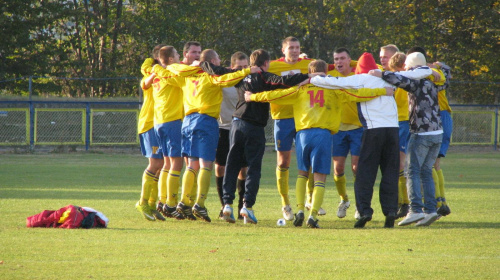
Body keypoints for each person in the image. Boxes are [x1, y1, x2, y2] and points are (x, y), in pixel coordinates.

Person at [246, 59, 393, 228]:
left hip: (302, 135)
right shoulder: (334, 90)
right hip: (323, 135)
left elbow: (276, 95)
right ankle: (313, 215)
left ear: (310, 72)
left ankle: (300, 210)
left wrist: (253, 97)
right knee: (319, 178)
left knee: (302, 173)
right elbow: (358, 93)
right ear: (326, 73)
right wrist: (382, 91)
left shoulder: (300, 89)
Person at [311, 52, 433, 228]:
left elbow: (330, 82)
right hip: (392, 131)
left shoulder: (358, 78)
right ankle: (390, 211)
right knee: (390, 172)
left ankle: (365, 211)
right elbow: (421, 72)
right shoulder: (389, 77)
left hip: (372, 131)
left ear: (359, 68)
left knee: (364, 174)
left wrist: (312, 77)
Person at [200, 49, 310, 224]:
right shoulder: (265, 77)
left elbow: (216, 69)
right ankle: (247, 207)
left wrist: (202, 63)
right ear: (265, 63)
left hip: (236, 123)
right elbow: (284, 81)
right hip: (255, 127)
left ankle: (227, 204)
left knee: (232, 164)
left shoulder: (239, 75)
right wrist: (308, 77)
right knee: (253, 168)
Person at [160, 49, 257, 222]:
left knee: (192, 164)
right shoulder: (212, 77)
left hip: (188, 120)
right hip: (206, 121)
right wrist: (249, 70)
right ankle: (199, 203)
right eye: (219, 59)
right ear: (213, 61)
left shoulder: (187, 76)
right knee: (206, 165)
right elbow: (229, 78)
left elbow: (170, 71)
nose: (220, 62)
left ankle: (183, 201)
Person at [371, 52, 443, 226]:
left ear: (411, 67)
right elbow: (444, 74)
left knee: (411, 170)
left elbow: (397, 79)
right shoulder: (432, 82)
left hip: (421, 133)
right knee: (426, 170)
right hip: (437, 133)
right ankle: (431, 210)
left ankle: (415, 210)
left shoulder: (415, 82)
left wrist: (379, 73)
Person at [267, 36, 315, 221]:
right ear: (283, 50)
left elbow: (332, 67)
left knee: (307, 158)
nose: (294, 50)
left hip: (303, 118)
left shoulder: (308, 64)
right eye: (291, 48)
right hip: (282, 119)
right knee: (283, 162)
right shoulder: (273, 66)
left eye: (297, 47)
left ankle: (310, 197)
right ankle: (285, 203)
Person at [150, 46, 200, 220]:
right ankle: (170, 204)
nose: (179, 57)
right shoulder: (171, 72)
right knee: (176, 164)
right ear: (171, 59)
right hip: (172, 121)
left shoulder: (159, 72)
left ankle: (163, 201)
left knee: (167, 164)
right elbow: (186, 78)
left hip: (160, 121)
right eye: (178, 54)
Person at [407, 47, 453, 218]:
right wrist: (440, 66)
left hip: (432, 120)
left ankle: (428, 205)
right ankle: (438, 203)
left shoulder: (421, 76)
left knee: (422, 167)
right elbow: (448, 74)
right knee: (432, 165)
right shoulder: (434, 73)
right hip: (439, 121)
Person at [214, 51, 250, 220]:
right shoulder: (224, 82)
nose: (243, 70)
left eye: (245, 67)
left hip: (242, 129)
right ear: (231, 67)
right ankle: (224, 206)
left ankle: (243, 207)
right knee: (220, 166)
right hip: (224, 128)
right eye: (239, 67)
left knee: (243, 169)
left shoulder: (250, 83)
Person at [326, 47, 359, 219]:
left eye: (342, 58)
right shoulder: (329, 74)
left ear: (350, 60)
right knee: (338, 169)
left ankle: (360, 205)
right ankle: (344, 200)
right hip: (337, 129)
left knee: (356, 168)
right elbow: (312, 68)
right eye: (336, 59)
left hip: (357, 128)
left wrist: (354, 63)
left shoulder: (359, 74)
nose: (339, 62)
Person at [135, 45, 165, 221]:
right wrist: (153, 70)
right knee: (155, 163)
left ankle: (152, 204)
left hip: (164, 123)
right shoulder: (151, 73)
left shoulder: (170, 74)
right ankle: (142, 202)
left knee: (161, 165)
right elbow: (145, 81)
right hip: (150, 123)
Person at [387, 52, 412, 218]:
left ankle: (404, 203)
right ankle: (403, 202)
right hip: (402, 122)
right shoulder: (412, 76)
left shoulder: (400, 78)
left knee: (400, 163)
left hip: (402, 121)